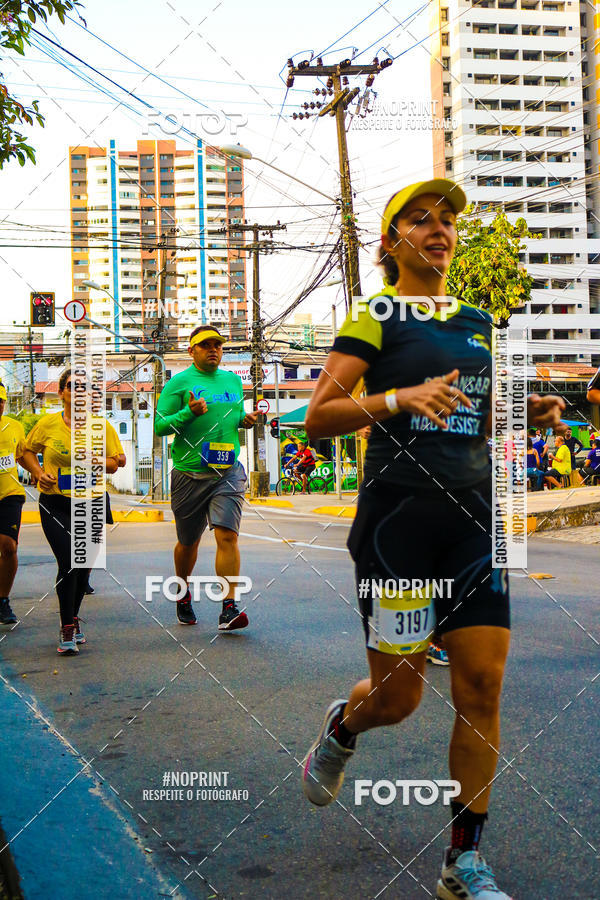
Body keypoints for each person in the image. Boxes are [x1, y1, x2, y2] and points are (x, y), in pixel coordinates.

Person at [300, 179, 565, 900]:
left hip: (473, 522)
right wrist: (398, 398)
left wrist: (526, 412)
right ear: (392, 242)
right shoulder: (377, 314)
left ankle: (462, 863)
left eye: (446, 220)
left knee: (481, 686)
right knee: (398, 699)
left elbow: (474, 413)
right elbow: (318, 416)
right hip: (398, 527)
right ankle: (344, 727)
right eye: (419, 220)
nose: (438, 229)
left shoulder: (477, 320)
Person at [154, 324, 256, 630]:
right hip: (189, 473)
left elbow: (232, 418)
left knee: (228, 535)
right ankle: (182, 592)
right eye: (206, 345)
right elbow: (160, 427)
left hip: (227, 471)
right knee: (188, 542)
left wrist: (245, 420)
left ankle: (229, 607)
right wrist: (188, 413)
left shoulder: (233, 381)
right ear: (191, 350)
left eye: (218, 345)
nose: (213, 350)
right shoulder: (178, 383)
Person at [21, 368, 125, 654]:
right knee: (68, 560)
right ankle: (67, 626)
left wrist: (94, 460)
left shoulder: (101, 426)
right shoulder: (47, 424)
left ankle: (73, 617)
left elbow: (116, 463)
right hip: (55, 502)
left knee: (83, 565)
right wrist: (38, 472)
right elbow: (26, 452)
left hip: (91, 502)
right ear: (61, 393)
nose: (78, 391)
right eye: (72, 386)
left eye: (84, 387)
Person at [0, 384, 27, 626]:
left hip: (10, 493)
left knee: (9, 547)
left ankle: (3, 600)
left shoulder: (14, 426)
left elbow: (23, 455)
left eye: (0, 401)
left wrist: (38, 472)